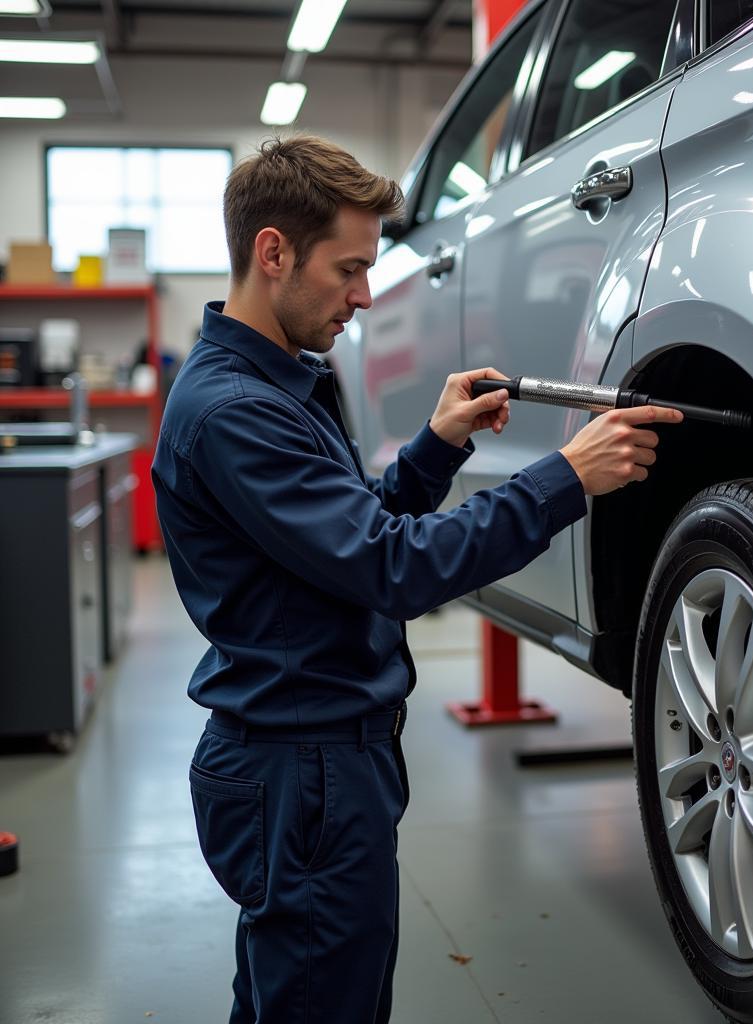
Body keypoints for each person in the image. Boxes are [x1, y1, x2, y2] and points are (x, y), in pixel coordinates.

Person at [152, 134, 683, 1024]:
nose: (364, 296)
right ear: (272, 251)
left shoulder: (271, 385)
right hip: (304, 769)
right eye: (349, 268)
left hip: (312, 753)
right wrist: (566, 477)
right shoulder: (238, 411)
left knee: (298, 995)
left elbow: (346, 532)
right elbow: (393, 568)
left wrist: (435, 448)